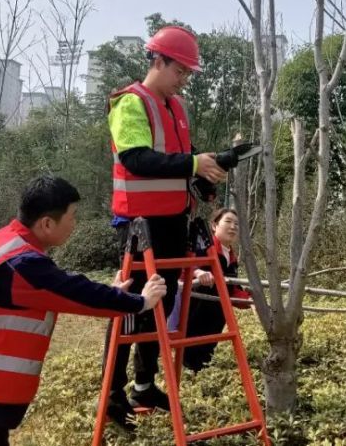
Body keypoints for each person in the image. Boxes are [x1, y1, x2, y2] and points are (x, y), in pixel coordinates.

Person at [0, 176, 167, 446]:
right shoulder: (21, 263)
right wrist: (140, 302)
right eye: (72, 216)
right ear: (47, 223)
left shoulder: (7, 243)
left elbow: (59, 289)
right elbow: (73, 291)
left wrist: (117, 296)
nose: (75, 224)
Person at [102, 25, 227, 429]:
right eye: (181, 71)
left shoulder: (177, 108)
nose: (185, 79)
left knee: (164, 300)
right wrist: (193, 164)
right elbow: (137, 159)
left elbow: (181, 160)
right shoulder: (130, 104)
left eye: (189, 74)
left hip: (173, 221)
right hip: (140, 224)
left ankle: (143, 384)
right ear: (158, 61)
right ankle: (113, 394)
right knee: (131, 305)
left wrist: (205, 174)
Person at [182, 207, 252, 372]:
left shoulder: (232, 257)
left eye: (236, 224)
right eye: (228, 221)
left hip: (216, 316)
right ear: (214, 226)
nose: (233, 227)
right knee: (190, 356)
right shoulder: (204, 248)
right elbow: (183, 266)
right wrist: (198, 272)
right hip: (196, 312)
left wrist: (251, 300)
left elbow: (232, 290)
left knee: (206, 357)